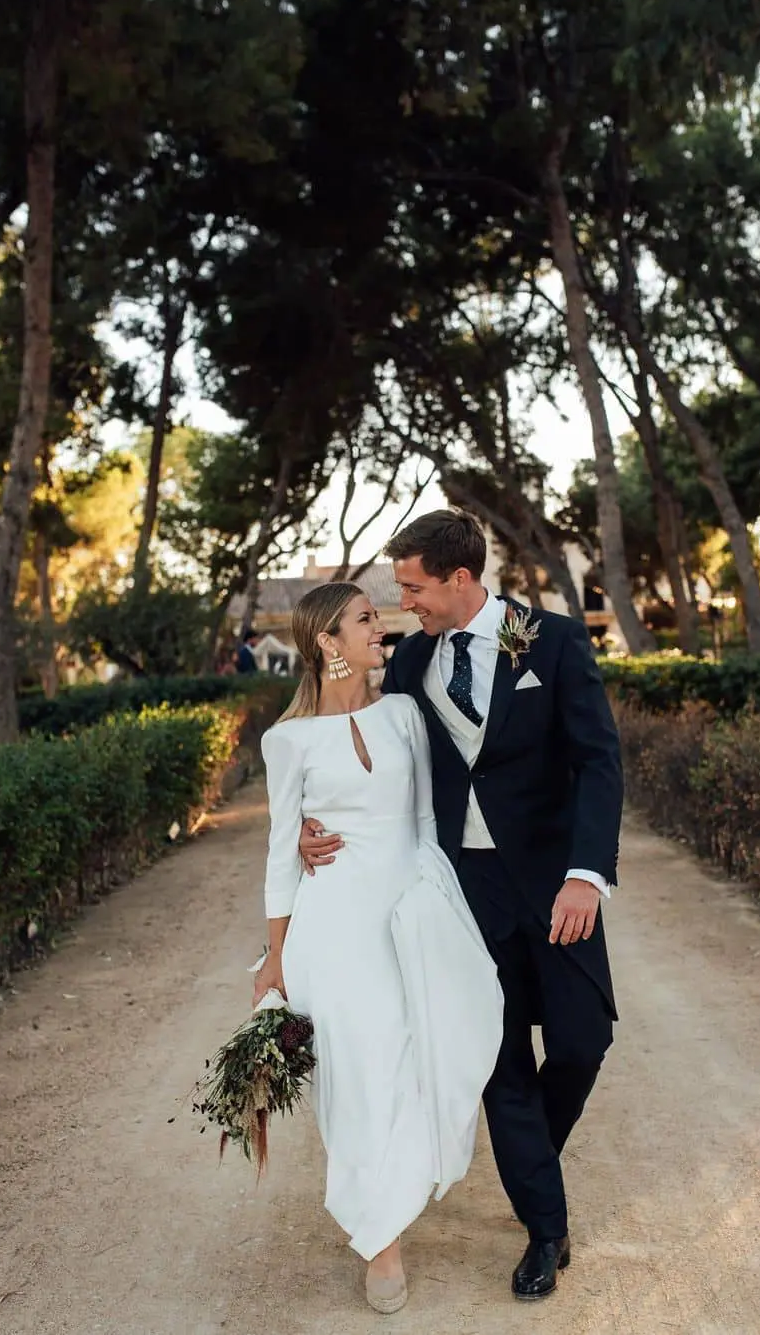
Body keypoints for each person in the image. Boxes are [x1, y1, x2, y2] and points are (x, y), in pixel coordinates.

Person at [301, 510, 623, 1301]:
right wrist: (315, 822)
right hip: (459, 890)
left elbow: (598, 760)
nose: (405, 602)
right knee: (499, 1058)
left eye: (414, 587)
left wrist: (587, 873)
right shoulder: (411, 661)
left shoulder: (551, 641)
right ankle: (545, 1228)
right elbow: (360, 743)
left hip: (555, 882)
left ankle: (531, 1160)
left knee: (582, 1039)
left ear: (461, 578)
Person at [252, 581, 502, 1316]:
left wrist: (435, 910)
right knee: (357, 1072)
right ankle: (381, 1241)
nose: (380, 628)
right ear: (328, 641)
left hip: (408, 912)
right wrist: (275, 956)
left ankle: (393, 1193)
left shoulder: (403, 715)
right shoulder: (287, 740)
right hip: (333, 928)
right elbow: (280, 854)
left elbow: (424, 821)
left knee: (411, 1059)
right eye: (365, 620)